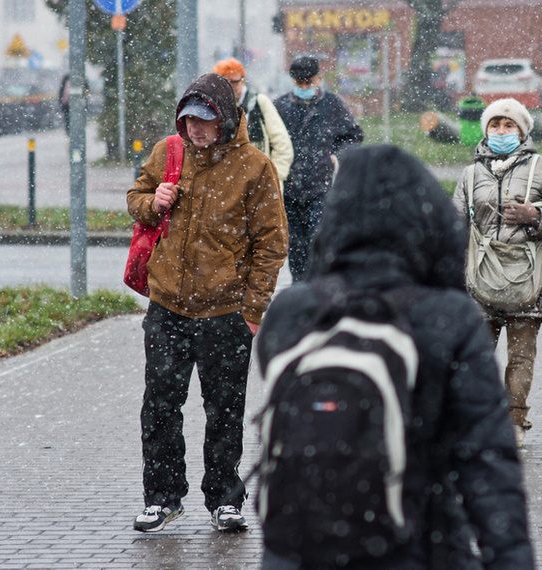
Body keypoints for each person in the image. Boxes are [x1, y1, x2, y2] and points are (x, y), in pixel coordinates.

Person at [256, 144, 534, 568]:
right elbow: (487, 464)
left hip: (298, 550)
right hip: (411, 543)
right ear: (425, 219)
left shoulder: (291, 311)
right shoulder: (447, 316)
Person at [126, 73, 288, 533]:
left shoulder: (254, 167)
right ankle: (161, 498)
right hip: (168, 308)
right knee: (159, 405)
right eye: (187, 119)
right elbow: (135, 197)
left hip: (225, 313)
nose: (194, 128)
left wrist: (253, 311)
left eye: (204, 120)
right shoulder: (168, 152)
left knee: (224, 408)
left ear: (226, 118)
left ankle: (224, 499)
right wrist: (150, 202)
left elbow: (271, 244)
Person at [452, 97, 542, 448]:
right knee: (475, 357)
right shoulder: (471, 174)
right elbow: (454, 225)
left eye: (509, 126)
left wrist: (535, 218)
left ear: (522, 131)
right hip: (479, 278)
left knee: (521, 356)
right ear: (485, 130)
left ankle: (514, 422)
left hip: (528, 279)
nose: (501, 131)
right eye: (495, 125)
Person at [274, 55, 363, 282]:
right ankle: (299, 285)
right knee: (294, 242)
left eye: (309, 83)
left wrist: (336, 156)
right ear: (292, 81)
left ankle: (318, 283)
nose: (304, 88)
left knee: (319, 237)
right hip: (289, 188)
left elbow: (353, 136)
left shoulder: (333, 105)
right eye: (299, 84)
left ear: (319, 79)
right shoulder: (281, 107)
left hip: (320, 185)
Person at [211, 57, 293, 189]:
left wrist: (276, 175)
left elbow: (282, 143)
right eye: (226, 83)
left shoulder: (259, 102)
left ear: (243, 80)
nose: (231, 87)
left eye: (235, 82)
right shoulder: (216, 108)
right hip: (227, 184)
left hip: (261, 181)